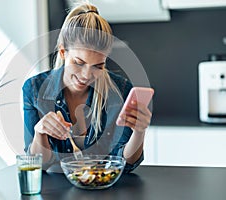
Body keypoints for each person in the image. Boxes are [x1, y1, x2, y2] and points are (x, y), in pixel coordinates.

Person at [22, 2, 152, 173]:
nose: (86, 75)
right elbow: (38, 165)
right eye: (78, 63)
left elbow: (125, 163)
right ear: (63, 52)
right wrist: (40, 133)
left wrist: (139, 132)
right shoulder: (34, 89)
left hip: (104, 188)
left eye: (98, 66)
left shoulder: (120, 90)